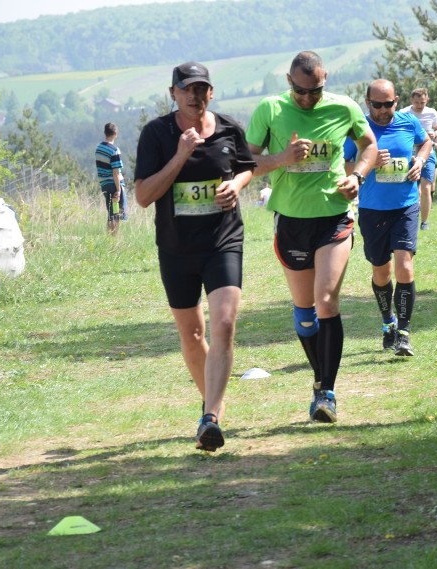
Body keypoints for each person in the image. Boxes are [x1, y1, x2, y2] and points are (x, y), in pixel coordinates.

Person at [246, 50, 377, 423]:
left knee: (326, 302)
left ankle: (327, 392)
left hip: (333, 218)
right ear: (290, 83)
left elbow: (369, 146)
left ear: (325, 80)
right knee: (305, 313)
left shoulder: (344, 108)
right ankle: (320, 380)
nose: (308, 99)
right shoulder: (269, 110)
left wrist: (358, 177)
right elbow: (245, 162)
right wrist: (282, 159)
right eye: (301, 92)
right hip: (291, 221)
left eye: (315, 91)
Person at [134, 62, 256, 451]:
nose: (195, 96)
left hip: (223, 241)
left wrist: (236, 186)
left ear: (211, 92)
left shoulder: (229, 128)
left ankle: (211, 417)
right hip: (176, 248)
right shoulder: (157, 133)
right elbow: (142, 196)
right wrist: (180, 155)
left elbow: (246, 168)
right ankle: (212, 408)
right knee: (193, 335)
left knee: (223, 325)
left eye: (202, 89)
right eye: (187, 89)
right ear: (173, 93)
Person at [344, 79, 432, 357]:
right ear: (367, 103)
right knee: (381, 272)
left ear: (397, 100)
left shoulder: (408, 121)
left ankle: (404, 333)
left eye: (389, 103)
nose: (384, 110)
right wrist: (368, 164)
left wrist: (419, 161)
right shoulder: (359, 129)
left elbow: (426, 142)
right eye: (377, 104)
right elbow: (347, 166)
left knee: (405, 266)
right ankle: (387, 323)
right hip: (372, 210)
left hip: (405, 205)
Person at [400, 87, 437, 231]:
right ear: (411, 100)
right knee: (413, 188)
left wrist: (434, 134)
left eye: (423, 102)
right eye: (417, 102)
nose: (420, 105)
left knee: (426, 188)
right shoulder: (404, 113)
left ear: (427, 100)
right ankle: (410, 216)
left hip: (429, 153)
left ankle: (425, 222)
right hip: (410, 154)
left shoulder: (432, 112)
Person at [95, 122, 128, 234]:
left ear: (105, 133)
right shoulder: (114, 150)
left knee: (110, 213)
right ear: (115, 133)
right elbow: (116, 173)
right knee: (116, 213)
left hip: (104, 184)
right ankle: (114, 238)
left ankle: (108, 237)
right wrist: (119, 190)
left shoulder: (98, 148)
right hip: (114, 185)